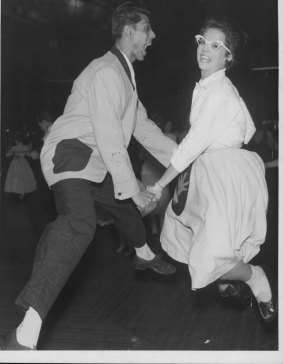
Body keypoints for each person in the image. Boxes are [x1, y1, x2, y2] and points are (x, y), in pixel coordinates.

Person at [0, 1, 177, 350]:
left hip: (93, 162)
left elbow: (145, 129)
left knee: (123, 205)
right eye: (147, 29)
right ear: (129, 31)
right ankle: (22, 336)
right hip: (72, 155)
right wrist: (133, 188)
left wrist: (188, 155)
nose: (152, 36)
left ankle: (142, 252)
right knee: (80, 224)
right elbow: (110, 134)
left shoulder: (125, 78)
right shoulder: (107, 72)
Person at [148, 18, 277, 324]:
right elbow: (245, 129)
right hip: (210, 173)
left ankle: (254, 277)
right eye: (202, 41)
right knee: (193, 238)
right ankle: (225, 280)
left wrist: (160, 184)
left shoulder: (219, 93)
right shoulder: (211, 86)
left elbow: (194, 142)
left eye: (216, 45)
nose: (206, 49)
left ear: (227, 56)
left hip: (223, 175)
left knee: (205, 256)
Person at [4, 129, 37, 199]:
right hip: (24, 163)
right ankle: (22, 192)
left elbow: (7, 155)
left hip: (15, 163)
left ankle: (17, 190)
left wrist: (8, 149)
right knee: (23, 178)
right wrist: (30, 149)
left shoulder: (13, 147)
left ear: (16, 140)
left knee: (16, 178)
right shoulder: (25, 147)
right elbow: (29, 155)